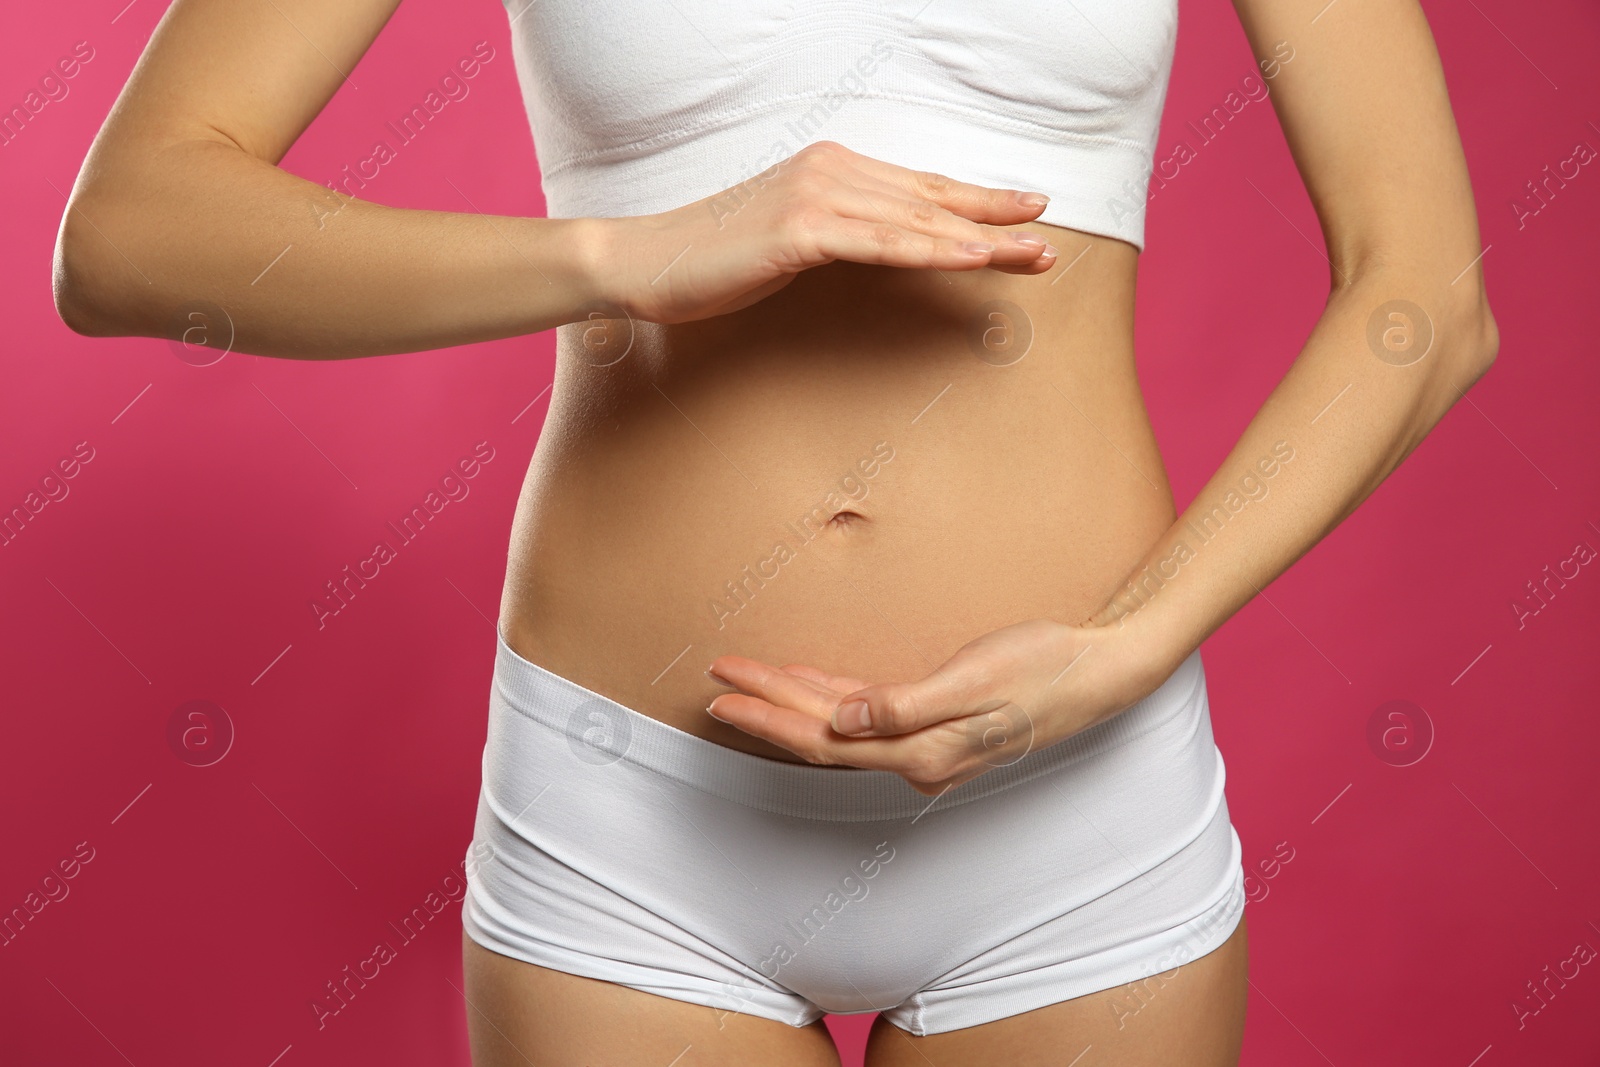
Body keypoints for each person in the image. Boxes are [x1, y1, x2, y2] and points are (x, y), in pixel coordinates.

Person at [52, 0, 1497, 1063]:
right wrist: (620, 254)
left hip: (1073, 803)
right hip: (632, 814)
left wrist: (1132, 644)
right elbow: (129, 235)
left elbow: (1424, 295)